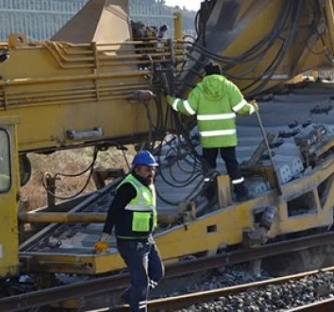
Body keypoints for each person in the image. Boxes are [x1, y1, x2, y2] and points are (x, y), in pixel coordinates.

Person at [167, 63, 258, 201]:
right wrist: (253, 107)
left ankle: (209, 193)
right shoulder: (229, 87)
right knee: (232, 165)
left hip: (209, 139)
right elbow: (242, 108)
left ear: (206, 74)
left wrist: (171, 101)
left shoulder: (200, 89)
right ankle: (241, 193)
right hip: (227, 138)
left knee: (209, 167)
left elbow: (188, 109)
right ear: (220, 73)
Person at [94, 150, 164, 311]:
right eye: (147, 169)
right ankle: (138, 305)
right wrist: (105, 235)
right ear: (137, 169)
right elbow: (113, 211)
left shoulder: (148, 184)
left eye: (153, 168)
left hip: (146, 239)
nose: (151, 172)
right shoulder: (129, 186)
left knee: (157, 273)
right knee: (140, 282)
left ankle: (130, 295)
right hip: (130, 242)